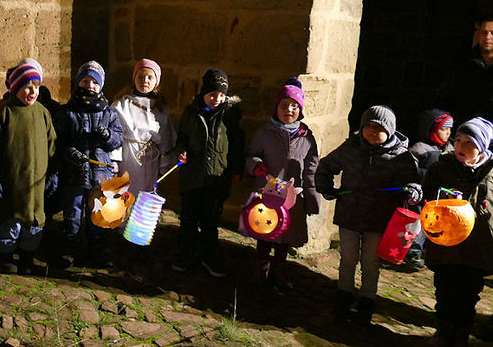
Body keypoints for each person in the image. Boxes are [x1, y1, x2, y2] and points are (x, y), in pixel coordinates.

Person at [315, 105, 421, 324]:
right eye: (368, 126)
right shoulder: (350, 148)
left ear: (390, 130)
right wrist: (325, 186)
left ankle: (367, 299)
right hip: (349, 216)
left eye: (379, 127)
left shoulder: (401, 157)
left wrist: (412, 191)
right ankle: (344, 294)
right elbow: (326, 165)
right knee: (348, 258)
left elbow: (414, 183)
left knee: (371, 262)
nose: (372, 131)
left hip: (378, 220)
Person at [422, 117, 493, 347]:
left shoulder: (491, 172)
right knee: (444, 288)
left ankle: (461, 335)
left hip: (478, 245)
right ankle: (443, 331)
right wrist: (442, 197)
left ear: (482, 147)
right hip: (447, 243)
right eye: (458, 140)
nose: (460, 147)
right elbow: (428, 190)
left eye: (468, 142)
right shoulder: (443, 166)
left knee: (469, 293)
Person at [0, 58, 57, 274]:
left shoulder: (42, 112)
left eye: (36, 87)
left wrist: (53, 172)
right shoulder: (4, 111)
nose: (32, 92)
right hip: (11, 180)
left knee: (33, 222)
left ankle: (27, 257)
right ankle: (6, 255)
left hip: (36, 181)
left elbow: (52, 143)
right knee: (10, 221)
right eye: (27, 87)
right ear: (16, 87)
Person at [244, 78, 321, 290]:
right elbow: (251, 156)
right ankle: (261, 267)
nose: (289, 110)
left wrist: (311, 195)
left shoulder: (307, 138)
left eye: (294, 106)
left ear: (301, 110)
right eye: (284, 105)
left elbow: (311, 168)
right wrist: (256, 166)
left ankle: (279, 269)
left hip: (292, 196)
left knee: (285, 235)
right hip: (268, 192)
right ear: (277, 107)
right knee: (265, 232)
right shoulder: (265, 132)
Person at [173, 68, 244, 277]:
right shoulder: (191, 113)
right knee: (188, 219)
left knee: (210, 221)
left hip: (217, 177)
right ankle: (184, 252)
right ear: (203, 93)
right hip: (193, 176)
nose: (217, 98)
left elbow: (237, 143)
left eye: (221, 94)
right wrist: (182, 152)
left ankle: (209, 256)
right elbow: (182, 138)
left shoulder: (230, 115)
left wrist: (237, 168)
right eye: (212, 94)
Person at [111, 58, 177, 195]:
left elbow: (166, 137)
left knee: (145, 196)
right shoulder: (121, 105)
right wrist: (114, 161)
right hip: (127, 157)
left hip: (150, 160)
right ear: (134, 79)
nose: (144, 81)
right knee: (125, 195)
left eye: (149, 77)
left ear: (156, 82)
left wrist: (164, 163)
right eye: (140, 76)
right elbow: (115, 134)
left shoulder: (160, 108)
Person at [406, 109, 454, 268]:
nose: (447, 132)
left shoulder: (451, 150)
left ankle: (427, 249)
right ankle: (413, 249)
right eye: (443, 129)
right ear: (431, 129)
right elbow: (409, 170)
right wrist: (427, 175)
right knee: (418, 221)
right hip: (421, 194)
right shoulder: (420, 149)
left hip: (439, 197)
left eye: (449, 129)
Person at [437, 15, 493, 124]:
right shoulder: (462, 64)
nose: (487, 36)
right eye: (484, 32)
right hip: (465, 126)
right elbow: (448, 95)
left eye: (492, 32)